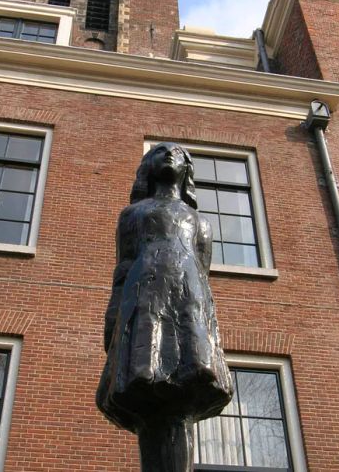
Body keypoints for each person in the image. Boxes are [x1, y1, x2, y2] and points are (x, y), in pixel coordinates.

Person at [96, 142, 233, 471]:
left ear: (187, 171)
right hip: (143, 304)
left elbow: (202, 275)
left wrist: (206, 331)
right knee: (148, 391)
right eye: (160, 151)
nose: (170, 155)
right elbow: (124, 267)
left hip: (186, 308)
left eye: (179, 153)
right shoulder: (133, 215)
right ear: (148, 168)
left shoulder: (200, 223)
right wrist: (114, 317)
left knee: (181, 400)